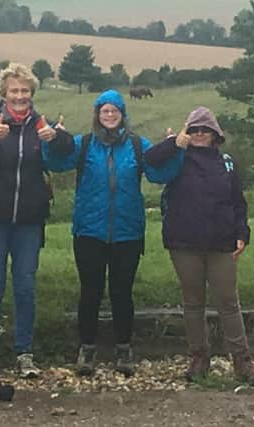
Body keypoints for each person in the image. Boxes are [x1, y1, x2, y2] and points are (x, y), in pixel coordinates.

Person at [43, 89, 183, 377]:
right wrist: (52, 142)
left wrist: (175, 149)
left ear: (122, 115)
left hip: (127, 232)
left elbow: (159, 174)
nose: (109, 115)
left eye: (114, 111)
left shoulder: (136, 144)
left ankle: (124, 349)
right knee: (90, 292)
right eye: (104, 111)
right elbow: (55, 164)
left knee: (122, 293)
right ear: (97, 115)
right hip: (88, 231)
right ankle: (87, 349)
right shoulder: (82, 144)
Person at [144, 106, 254, 386]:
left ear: (214, 135)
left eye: (204, 130)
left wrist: (242, 233)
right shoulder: (177, 157)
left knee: (229, 302)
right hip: (184, 242)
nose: (199, 134)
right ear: (187, 131)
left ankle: (242, 362)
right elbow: (149, 161)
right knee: (193, 303)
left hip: (222, 243)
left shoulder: (227, 163)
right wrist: (175, 142)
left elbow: (238, 202)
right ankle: (199, 357)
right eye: (194, 129)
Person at [0, 62, 70, 378]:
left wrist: (57, 138)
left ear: (32, 94)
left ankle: (25, 352)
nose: (20, 96)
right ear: (4, 93)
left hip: (29, 219)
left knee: (25, 285)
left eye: (25, 91)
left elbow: (67, 153)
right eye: (14, 90)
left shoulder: (42, 125)